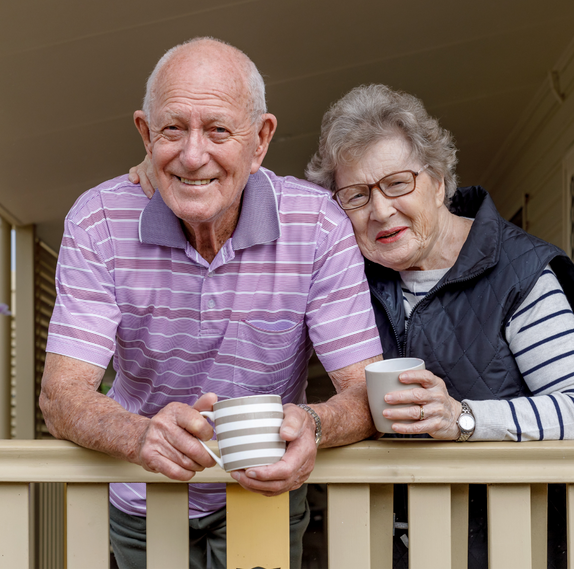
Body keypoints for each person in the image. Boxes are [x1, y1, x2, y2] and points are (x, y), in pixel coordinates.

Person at [39, 37, 382, 569]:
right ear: (145, 134)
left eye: (218, 129)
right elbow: (60, 397)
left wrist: (312, 425)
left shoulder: (317, 225)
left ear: (261, 139)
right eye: (173, 129)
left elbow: (365, 390)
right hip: (144, 493)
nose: (193, 154)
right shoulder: (97, 221)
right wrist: (140, 435)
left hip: (262, 491)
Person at [305, 83, 574, 567]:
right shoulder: (347, 279)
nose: (380, 210)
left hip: (509, 546)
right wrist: (160, 175)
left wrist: (465, 419)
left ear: (438, 179)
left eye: (397, 183)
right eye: (356, 195)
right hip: (385, 547)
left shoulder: (520, 272)